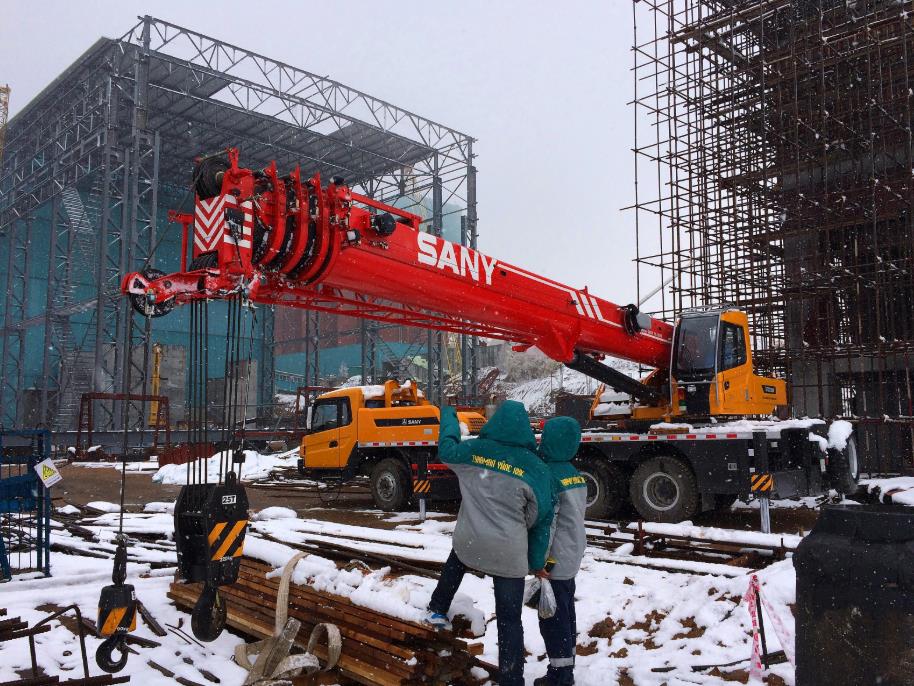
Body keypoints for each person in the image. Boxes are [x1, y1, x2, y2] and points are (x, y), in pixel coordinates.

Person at [426, 401, 555, 686]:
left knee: (456, 561)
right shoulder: (537, 468)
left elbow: (446, 449)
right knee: (510, 620)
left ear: (494, 423)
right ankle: (512, 678)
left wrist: (448, 416)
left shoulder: (473, 451)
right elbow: (540, 519)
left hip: (470, 541)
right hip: (508, 553)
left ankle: (437, 608)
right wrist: (536, 562)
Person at [535, 416, 584, 686]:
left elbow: (548, 524)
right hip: (572, 552)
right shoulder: (574, 473)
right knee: (566, 612)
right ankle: (568, 663)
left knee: (552, 618)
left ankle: (560, 674)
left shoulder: (549, 476)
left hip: (554, 557)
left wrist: (539, 560)